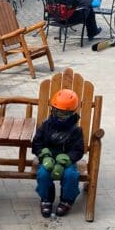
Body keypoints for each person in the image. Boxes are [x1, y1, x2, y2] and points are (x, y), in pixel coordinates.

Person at [32, 89, 84, 218]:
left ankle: (67, 200)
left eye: (64, 114)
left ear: (72, 113)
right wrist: (43, 155)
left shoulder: (75, 130)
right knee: (43, 174)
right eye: (57, 112)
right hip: (48, 158)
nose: (60, 116)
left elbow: (78, 150)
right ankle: (46, 199)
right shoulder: (46, 125)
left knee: (71, 175)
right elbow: (37, 142)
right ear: (52, 110)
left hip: (66, 161)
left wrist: (68, 159)